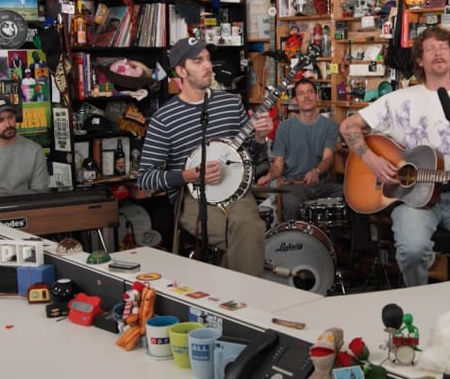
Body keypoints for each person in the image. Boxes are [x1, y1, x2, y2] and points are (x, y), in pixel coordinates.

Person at [339, 25, 450, 287]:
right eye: (429, 49)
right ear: (420, 60)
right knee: (412, 250)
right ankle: (416, 302)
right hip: (411, 200)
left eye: (443, 47)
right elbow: (348, 127)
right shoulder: (397, 100)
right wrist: (372, 160)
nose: (437, 53)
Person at [138, 38, 272, 277]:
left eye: (208, 59)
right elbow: (146, 179)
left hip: (236, 191)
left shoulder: (231, 103)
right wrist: (188, 175)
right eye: (198, 61)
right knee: (245, 239)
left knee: (250, 227)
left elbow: (256, 160)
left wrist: (261, 140)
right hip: (192, 197)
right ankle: (247, 305)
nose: (207, 66)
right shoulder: (164, 118)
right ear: (181, 71)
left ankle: (228, 301)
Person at [256, 79, 342, 222]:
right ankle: (293, 243)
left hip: (322, 185)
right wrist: (269, 176)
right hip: (294, 185)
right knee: (291, 204)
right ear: (295, 100)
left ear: (316, 96)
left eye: (310, 92)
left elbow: (328, 158)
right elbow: (278, 165)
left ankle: (358, 245)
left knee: (354, 197)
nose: (306, 96)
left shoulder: (330, 126)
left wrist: (317, 171)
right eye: (301, 94)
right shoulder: (284, 128)